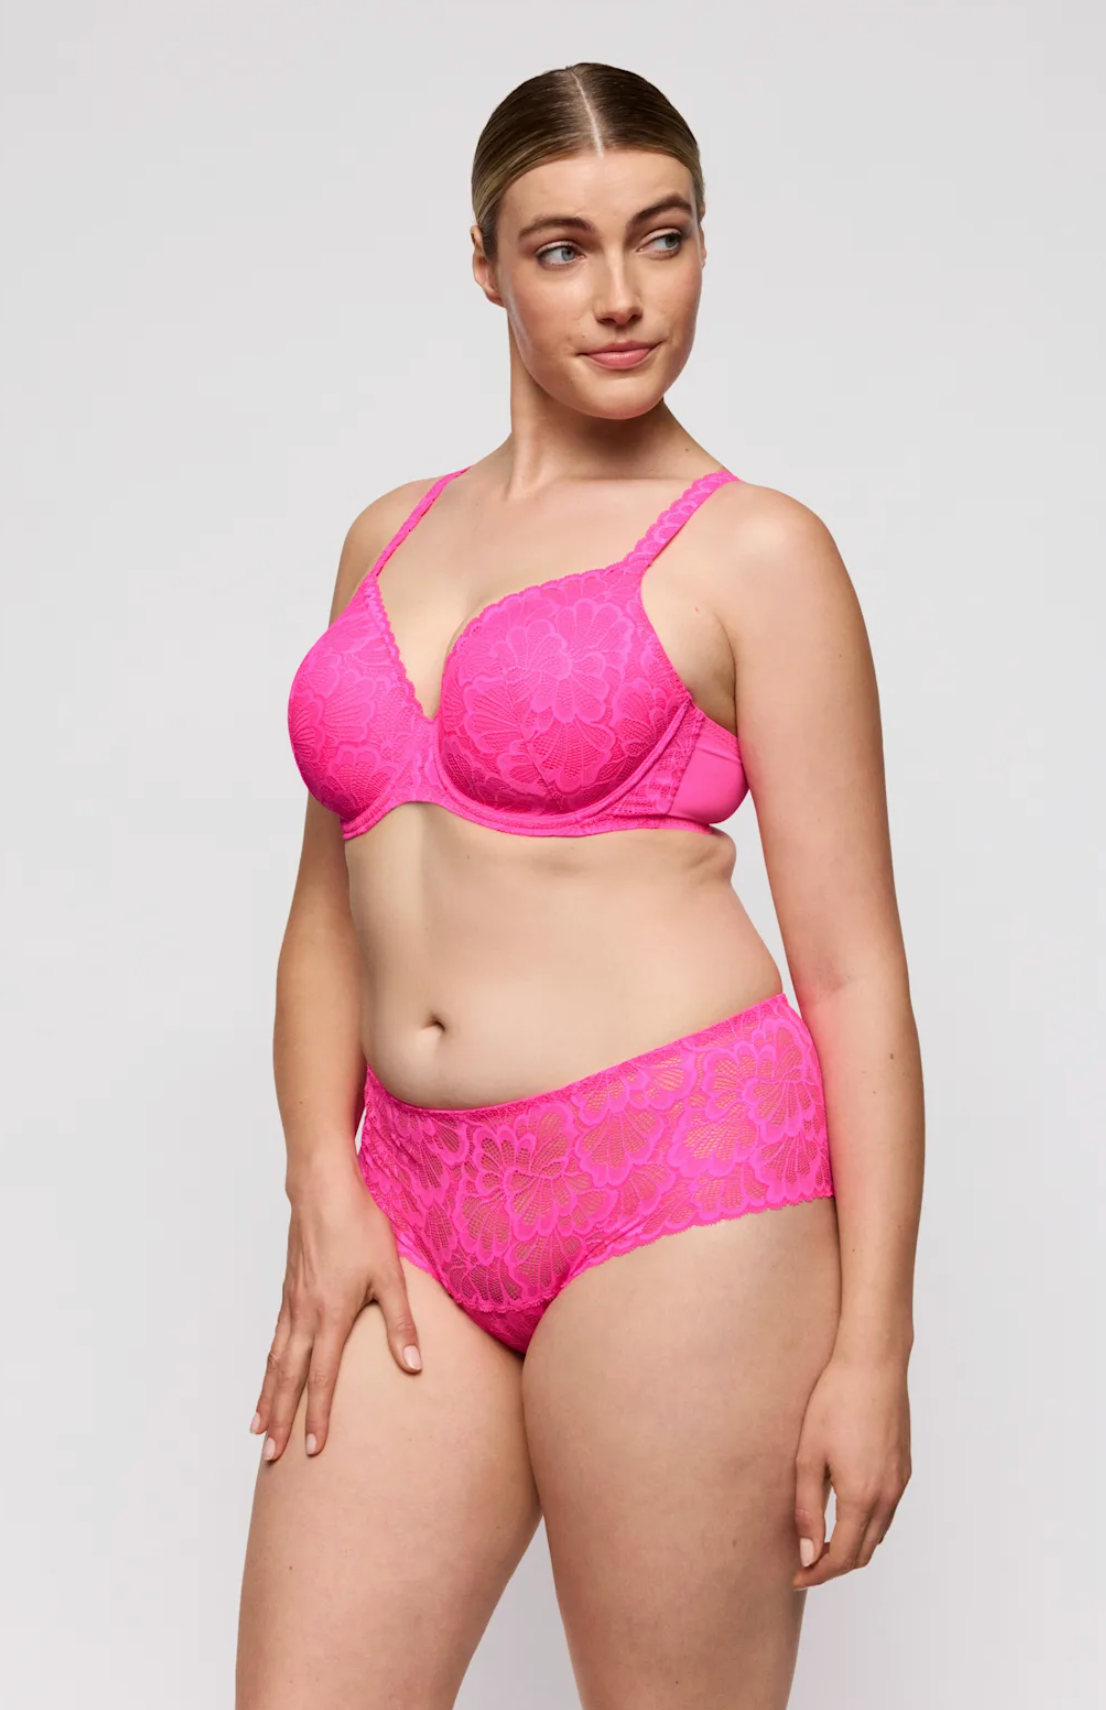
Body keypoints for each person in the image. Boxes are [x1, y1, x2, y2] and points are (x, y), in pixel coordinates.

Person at [235, 60, 924, 1710]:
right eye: (562, 249)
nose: (622, 296)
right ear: (484, 263)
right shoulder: (387, 536)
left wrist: (872, 1351)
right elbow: (329, 911)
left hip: (679, 1191)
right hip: (407, 1201)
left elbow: (853, 978)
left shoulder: (754, 550)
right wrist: (321, 1182)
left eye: (660, 238)